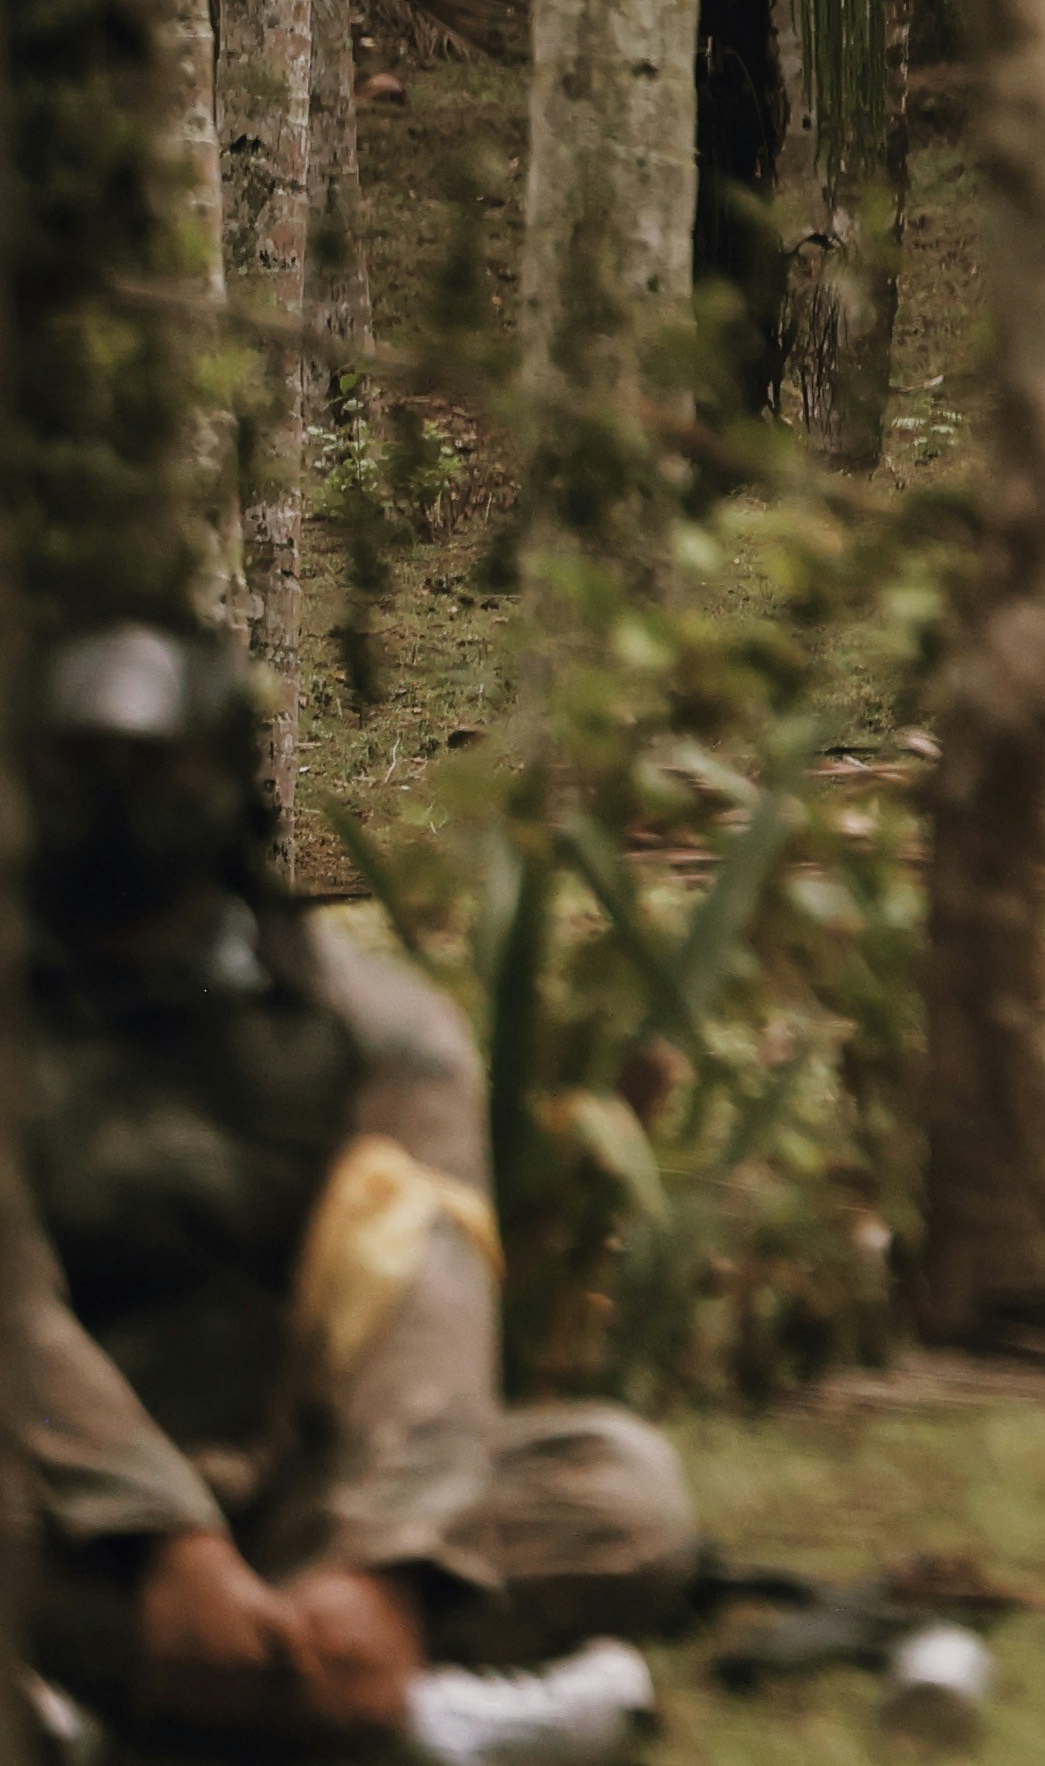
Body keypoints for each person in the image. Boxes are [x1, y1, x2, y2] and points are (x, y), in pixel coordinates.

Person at [17, 629, 693, 1746]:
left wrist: (381, 1563)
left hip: (295, 1492)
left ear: (221, 782)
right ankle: (408, 1709)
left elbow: (422, 1274)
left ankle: (162, 1690)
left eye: (152, 768)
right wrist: (162, 1536)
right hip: (56, 1499)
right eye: (80, 764)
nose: (115, 801)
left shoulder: (364, 1023)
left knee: (622, 1490)